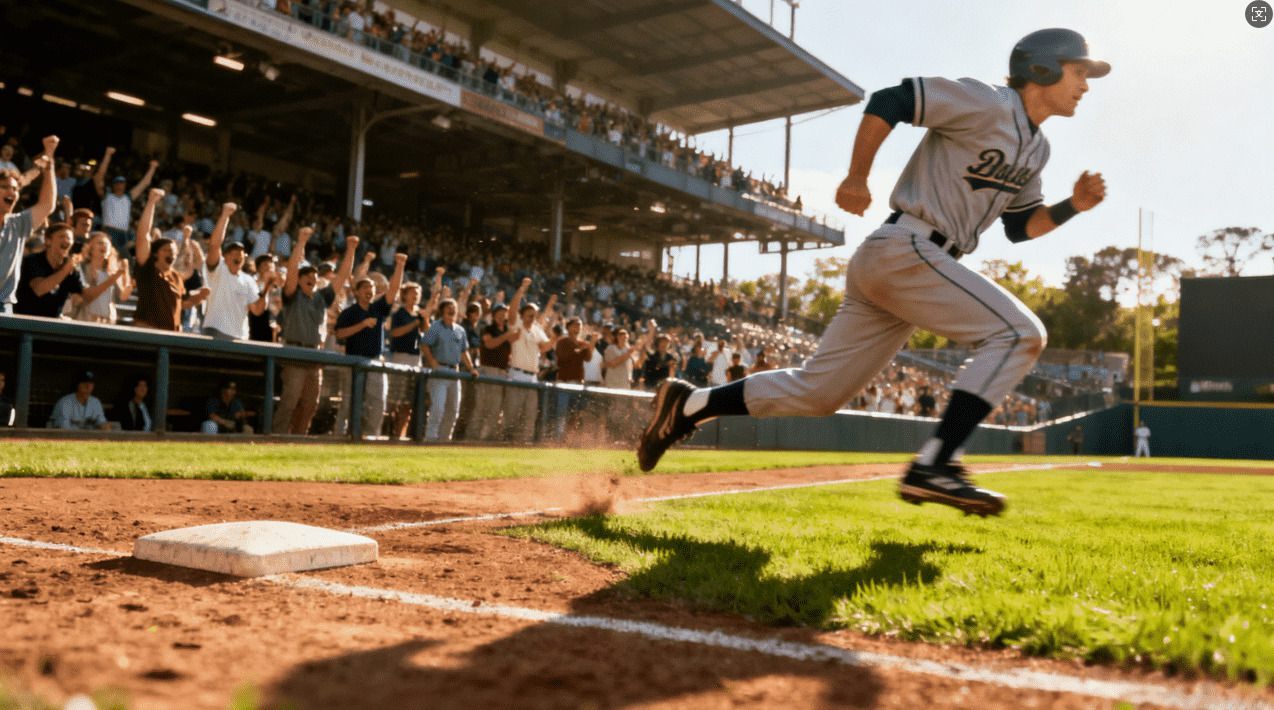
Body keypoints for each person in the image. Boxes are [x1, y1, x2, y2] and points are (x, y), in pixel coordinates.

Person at [636, 28, 1111, 517]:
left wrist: (1072, 206)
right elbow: (894, 99)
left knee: (817, 393)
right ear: (1043, 69)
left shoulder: (1039, 150)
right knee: (1019, 334)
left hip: (911, 266)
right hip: (908, 247)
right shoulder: (987, 101)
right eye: (1079, 72)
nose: (1086, 85)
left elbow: (1019, 227)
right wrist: (857, 175)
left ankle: (690, 405)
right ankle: (937, 463)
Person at [274, 231, 358, 435]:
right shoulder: (292, 296)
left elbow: (342, 275)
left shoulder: (321, 298)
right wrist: (301, 241)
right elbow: (292, 270)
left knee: (311, 404)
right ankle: (276, 437)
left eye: (314, 276)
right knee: (290, 402)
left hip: (315, 356)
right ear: (299, 280)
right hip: (294, 352)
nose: (312, 278)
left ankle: (300, 439)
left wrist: (351, 249)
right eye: (307, 276)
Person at [335, 253, 407, 438]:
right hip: (354, 361)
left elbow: (394, 290)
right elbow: (339, 333)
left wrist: (400, 265)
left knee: (377, 402)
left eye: (372, 288)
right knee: (349, 402)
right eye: (365, 287)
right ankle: (340, 435)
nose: (369, 290)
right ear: (357, 292)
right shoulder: (349, 312)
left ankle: (371, 436)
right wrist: (362, 325)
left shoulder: (378, 309)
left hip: (375, 361)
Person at [1, 135, 59, 315]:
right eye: (4, 187)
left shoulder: (18, 223)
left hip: (3, 306)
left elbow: (47, 204)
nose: (12, 192)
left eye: (15, 189)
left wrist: (49, 163)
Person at [504, 278, 555, 442]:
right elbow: (512, 310)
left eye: (534, 315)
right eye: (529, 315)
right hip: (517, 374)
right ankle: (505, 442)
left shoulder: (536, 329)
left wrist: (556, 338)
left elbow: (544, 347)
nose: (532, 318)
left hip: (532, 376)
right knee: (511, 413)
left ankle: (523, 444)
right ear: (522, 315)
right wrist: (522, 289)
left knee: (529, 414)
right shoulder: (516, 323)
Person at [132, 189, 189, 331]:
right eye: (166, 250)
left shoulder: (176, 277)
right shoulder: (148, 268)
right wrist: (151, 202)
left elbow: (178, 305)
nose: (171, 253)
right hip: (147, 330)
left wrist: (197, 298)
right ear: (155, 254)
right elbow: (142, 235)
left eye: (173, 251)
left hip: (170, 335)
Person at [202, 203, 261, 339]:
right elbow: (214, 245)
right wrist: (225, 216)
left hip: (240, 336)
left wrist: (268, 286)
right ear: (225, 256)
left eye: (241, 253)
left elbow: (256, 309)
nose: (238, 255)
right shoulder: (219, 268)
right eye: (234, 252)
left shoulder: (249, 280)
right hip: (215, 331)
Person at [421, 298, 476, 441]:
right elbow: (425, 344)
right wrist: (432, 362)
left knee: (453, 410)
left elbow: (464, 352)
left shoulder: (460, 330)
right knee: (438, 408)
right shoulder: (435, 327)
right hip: (440, 369)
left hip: (455, 371)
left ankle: (445, 440)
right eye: (448, 308)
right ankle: (431, 438)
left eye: (454, 308)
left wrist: (471, 368)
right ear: (442, 311)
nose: (452, 310)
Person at [16, 223, 84, 318]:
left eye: (69, 238)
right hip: (25, 323)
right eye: (61, 236)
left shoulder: (70, 266)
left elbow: (83, 296)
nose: (66, 240)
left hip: (51, 326)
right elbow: (39, 289)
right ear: (48, 241)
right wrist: (66, 270)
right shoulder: (32, 260)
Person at [470, 302, 514, 441]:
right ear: (494, 315)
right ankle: (471, 438)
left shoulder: (507, 330)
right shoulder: (488, 328)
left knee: (495, 409)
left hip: (502, 372)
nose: (502, 316)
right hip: (488, 370)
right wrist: (507, 336)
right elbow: (489, 344)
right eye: (499, 314)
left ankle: (485, 439)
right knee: (481, 407)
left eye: (504, 314)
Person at [75, 233, 132, 324]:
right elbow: (87, 296)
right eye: (100, 243)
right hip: (86, 319)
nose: (104, 246)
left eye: (107, 244)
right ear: (90, 249)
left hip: (108, 320)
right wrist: (114, 277)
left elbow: (123, 296)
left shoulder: (112, 271)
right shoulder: (82, 268)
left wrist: (126, 273)